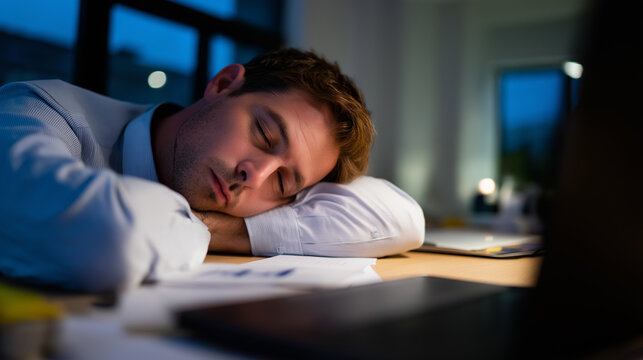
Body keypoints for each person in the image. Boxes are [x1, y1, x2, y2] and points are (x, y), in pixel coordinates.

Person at [0, 48, 424, 292]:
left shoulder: (245, 195)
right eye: (262, 134)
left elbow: (402, 219)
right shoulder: (41, 113)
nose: (254, 176)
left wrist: (226, 231)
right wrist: (195, 226)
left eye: (282, 181)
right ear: (222, 85)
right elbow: (110, 237)